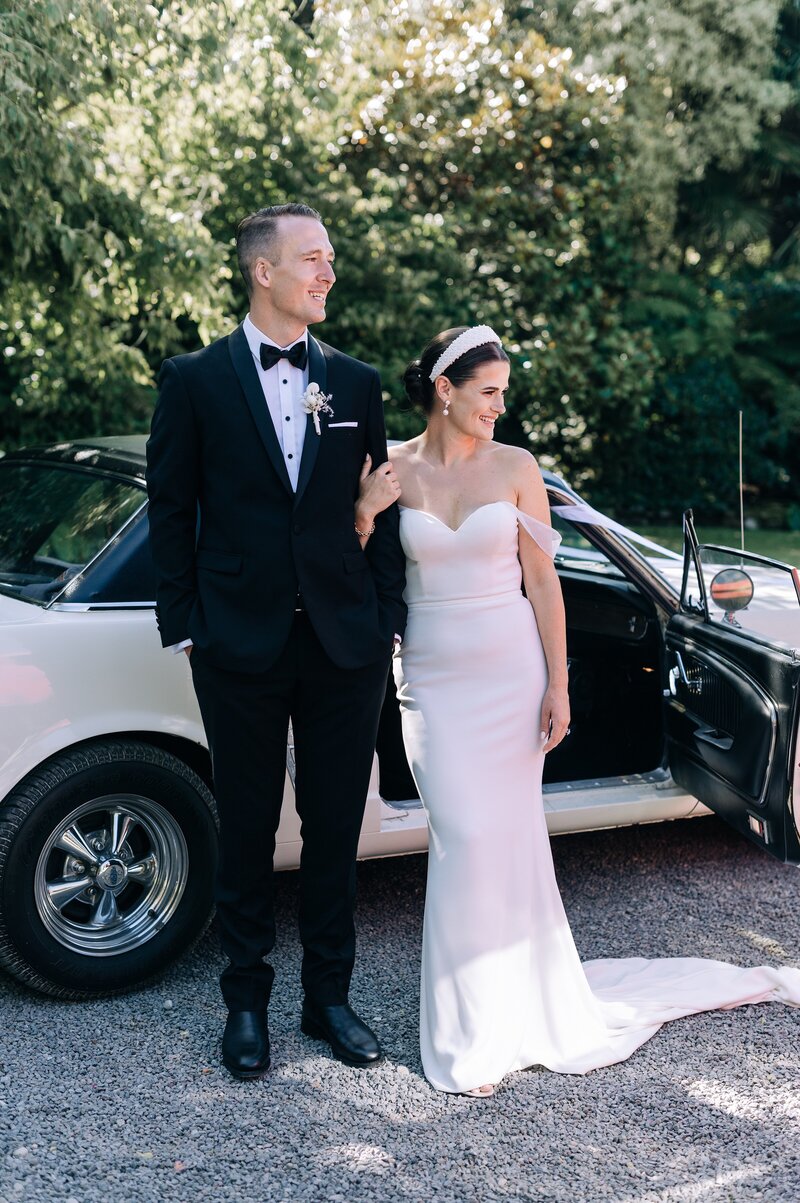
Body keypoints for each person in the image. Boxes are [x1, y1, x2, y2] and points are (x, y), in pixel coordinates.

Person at [377, 324, 800, 1097]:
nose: (499, 407)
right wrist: (363, 511)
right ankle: (473, 1017)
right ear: (444, 390)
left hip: (508, 672)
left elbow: (544, 582)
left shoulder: (517, 467)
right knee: (461, 832)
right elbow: (356, 560)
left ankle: (485, 1022)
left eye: (503, 392)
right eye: (488, 392)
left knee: (497, 837)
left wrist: (558, 685)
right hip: (430, 679)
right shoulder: (391, 468)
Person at [146, 203, 406, 1081]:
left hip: (344, 642)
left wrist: (384, 618)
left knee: (336, 827)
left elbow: (376, 509)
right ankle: (246, 1003)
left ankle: (328, 998)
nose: (328, 273)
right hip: (237, 643)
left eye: (330, 259)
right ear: (265, 272)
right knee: (249, 825)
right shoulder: (193, 380)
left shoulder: (357, 384)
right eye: (313, 259)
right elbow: (171, 510)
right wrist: (186, 626)